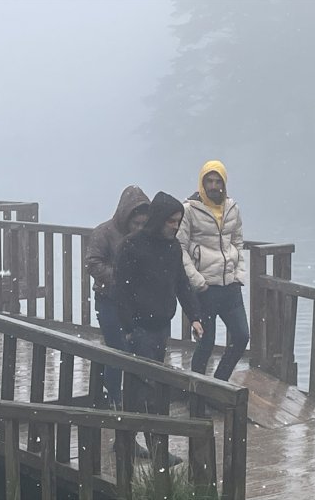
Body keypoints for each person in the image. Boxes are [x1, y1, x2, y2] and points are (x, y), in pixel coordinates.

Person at [114, 191, 203, 464]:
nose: (175, 227)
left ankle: (130, 443)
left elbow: (181, 285)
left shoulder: (173, 248)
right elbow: (122, 290)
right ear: (159, 220)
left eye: (178, 222)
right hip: (139, 328)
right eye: (171, 221)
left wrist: (195, 316)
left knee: (149, 387)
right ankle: (149, 449)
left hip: (162, 326)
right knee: (142, 389)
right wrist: (129, 328)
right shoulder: (131, 246)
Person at [176, 160, 249, 382]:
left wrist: (238, 275)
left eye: (218, 181)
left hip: (230, 286)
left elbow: (238, 242)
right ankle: (197, 391)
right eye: (209, 181)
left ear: (224, 183)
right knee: (206, 343)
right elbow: (180, 248)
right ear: (202, 182)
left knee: (241, 336)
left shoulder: (232, 208)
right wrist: (197, 281)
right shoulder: (189, 210)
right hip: (205, 288)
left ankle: (218, 383)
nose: (214, 186)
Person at [85, 185, 150, 408]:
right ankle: (112, 396)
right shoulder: (103, 233)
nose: (139, 228)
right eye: (136, 223)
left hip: (135, 305)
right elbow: (93, 263)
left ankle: (128, 399)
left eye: (144, 224)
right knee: (117, 349)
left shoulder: (145, 239)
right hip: (109, 301)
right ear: (125, 217)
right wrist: (121, 279)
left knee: (134, 350)